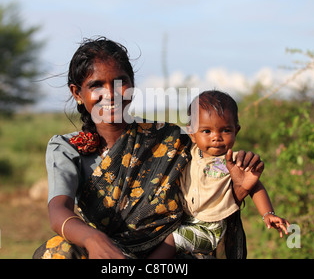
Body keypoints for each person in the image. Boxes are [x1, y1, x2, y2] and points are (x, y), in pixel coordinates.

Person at [33, 37, 263, 259]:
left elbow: (204, 197)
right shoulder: (67, 148)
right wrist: (94, 240)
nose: (111, 94)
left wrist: (239, 188)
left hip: (169, 254)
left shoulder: (173, 139)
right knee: (55, 252)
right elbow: (58, 211)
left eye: (120, 83)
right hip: (103, 254)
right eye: (96, 85)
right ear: (77, 93)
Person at [148, 90, 290, 259]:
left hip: (210, 228)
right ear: (192, 134)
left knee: (173, 240)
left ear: (236, 131)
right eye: (206, 131)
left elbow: (255, 185)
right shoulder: (187, 153)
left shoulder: (232, 162)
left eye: (225, 130)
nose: (216, 137)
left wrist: (268, 214)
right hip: (186, 220)